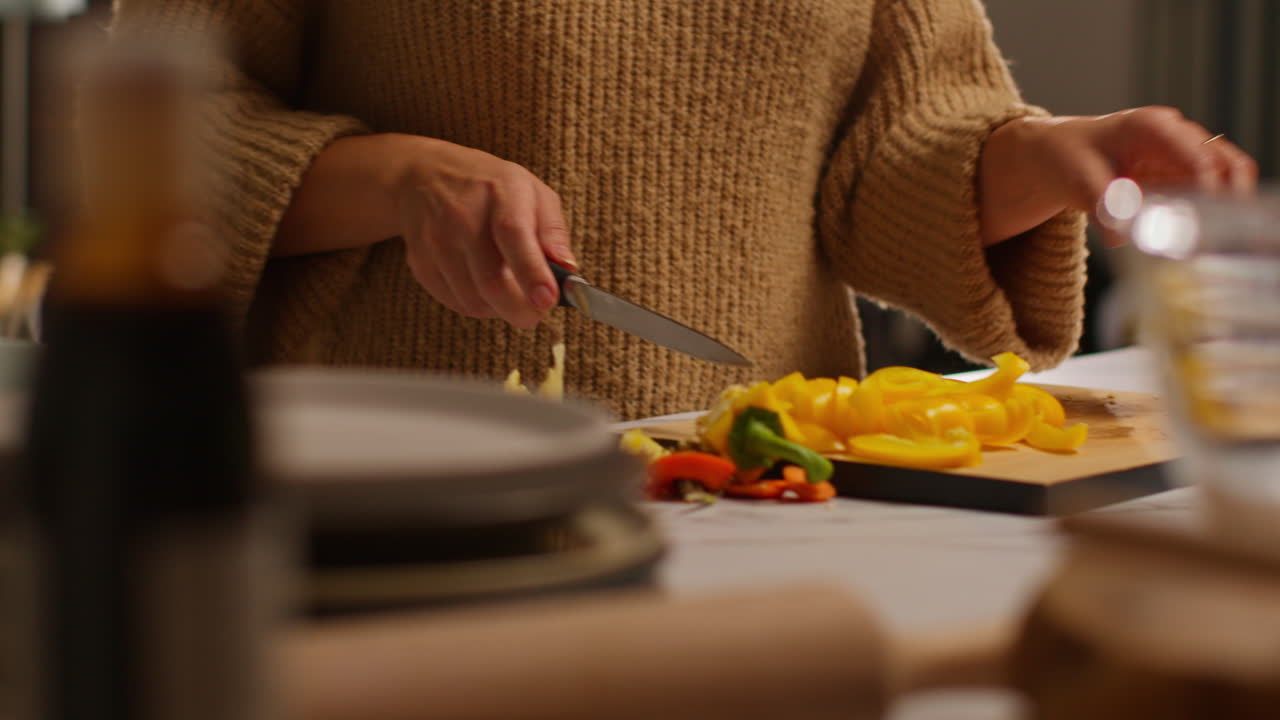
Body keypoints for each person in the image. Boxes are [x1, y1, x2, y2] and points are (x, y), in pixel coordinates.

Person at [109, 0, 1256, 420]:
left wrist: (1061, 156)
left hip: (768, 498)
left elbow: (889, 163)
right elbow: (148, 140)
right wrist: (400, 180)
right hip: (405, 511)